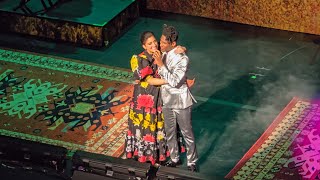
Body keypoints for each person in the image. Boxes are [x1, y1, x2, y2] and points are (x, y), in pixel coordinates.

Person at [125, 31, 185, 165]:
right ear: (144, 46)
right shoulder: (138, 59)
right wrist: (170, 81)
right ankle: (145, 155)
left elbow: (175, 51)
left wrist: (181, 49)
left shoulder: (162, 53)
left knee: (163, 126)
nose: (153, 45)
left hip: (161, 96)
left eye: (154, 42)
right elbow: (150, 80)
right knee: (146, 127)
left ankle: (163, 154)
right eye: (149, 44)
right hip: (145, 99)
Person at [153, 25, 198, 172]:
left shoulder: (182, 59)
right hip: (167, 100)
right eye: (160, 41)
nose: (160, 45)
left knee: (187, 133)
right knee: (169, 131)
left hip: (180, 101)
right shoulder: (164, 53)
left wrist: (160, 65)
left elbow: (174, 81)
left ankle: (192, 162)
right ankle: (174, 158)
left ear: (173, 44)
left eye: (164, 42)